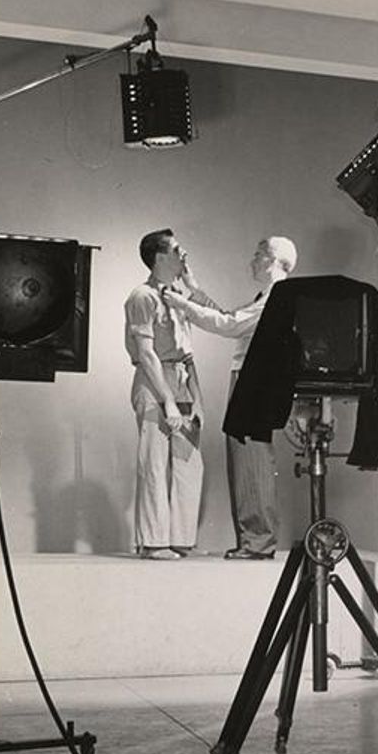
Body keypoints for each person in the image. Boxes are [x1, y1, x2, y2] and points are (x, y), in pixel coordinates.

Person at [163, 236, 298, 559]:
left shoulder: (278, 297)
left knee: (251, 459)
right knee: (243, 457)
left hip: (256, 382)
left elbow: (230, 324)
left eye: (258, 254)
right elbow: (229, 316)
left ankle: (258, 542)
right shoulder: (267, 297)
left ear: (273, 261)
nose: (252, 260)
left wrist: (182, 304)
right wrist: (194, 290)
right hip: (249, 379)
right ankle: (253, 541)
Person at [124, 229, 222, 560]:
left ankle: (181, 538)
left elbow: (191, 349)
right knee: (154, 462)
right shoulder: (142, 297)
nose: (184, 255)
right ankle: (153, 543)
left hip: (181, 378)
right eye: (178, 250)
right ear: (160, 257)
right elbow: (146, 353)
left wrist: (198, 400)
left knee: (189, 463)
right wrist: (167, 400)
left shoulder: (178, 295)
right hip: (154, 381)